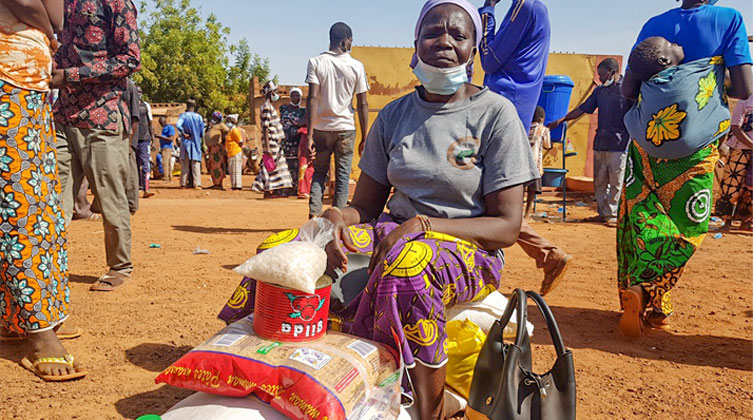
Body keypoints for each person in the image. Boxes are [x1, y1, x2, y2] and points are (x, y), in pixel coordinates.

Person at [220, 2, 538, 417]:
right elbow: (365, 206)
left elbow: (507, 226)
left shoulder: (496, 115)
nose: (444, 41)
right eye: (433, 32)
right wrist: (335, 219)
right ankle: (248, 367)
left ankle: (428, 408)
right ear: (416, 43)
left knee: (409, 265)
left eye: (458, 35)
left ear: (474, 49)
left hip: (468, 247)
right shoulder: (394, 115)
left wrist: (424, 226)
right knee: (285, 248)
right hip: (392, 233)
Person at [618, 0, 752, 338]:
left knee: (645, 218)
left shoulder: (653, 24)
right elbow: (745, 88)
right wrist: (706, 81)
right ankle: (647, 289)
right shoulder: (729, 19)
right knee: (687, 224)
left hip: (647, 146)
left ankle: (650, 298)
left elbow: (628, 89)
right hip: (696, 147)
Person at [0, 0, 88, 381]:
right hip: (8, 82)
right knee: (19, 206)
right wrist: (51, 35)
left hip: (25, 84)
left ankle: (17, 316)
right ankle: (38, 331)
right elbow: (29, 5)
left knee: (40, 204)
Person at [478, 0, 572, 296]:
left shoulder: (526, 7)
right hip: (508, 109)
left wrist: (488, 9)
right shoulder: (530, 9)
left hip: (503, 110)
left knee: (483, 198)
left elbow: (489, 58)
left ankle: (545, 255)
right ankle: (547, 255)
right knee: (488, 198)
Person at [54, 0, 140, 292]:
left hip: (102, 117)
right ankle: (48, 267)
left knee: (110, 198)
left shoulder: (116, 4)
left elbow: (130, 59)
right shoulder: (61, 3)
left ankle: (120, 266)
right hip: (63, 116)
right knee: (52, 198)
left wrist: (70, 75)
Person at [548, 58, 632, 227]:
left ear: (612, 72)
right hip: (600, 142)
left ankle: (613, 214)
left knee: (616, 180)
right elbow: (583, 108)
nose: (600, 78)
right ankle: (602, 213)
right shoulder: (599, 92)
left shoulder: (627, 90)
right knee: (599, 181)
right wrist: (562, 119)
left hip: (620, 144)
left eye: (602, 75)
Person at [306, 22, 370, 217]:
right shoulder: (356, 66)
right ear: (346, 41)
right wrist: (364, 137)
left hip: (321, 128)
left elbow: (312, 98)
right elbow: (363, 104)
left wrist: (309, 135)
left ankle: (314, 217)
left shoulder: (316, 62)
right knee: (342, 176)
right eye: (351, 40)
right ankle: (338, 219)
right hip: (345, 128)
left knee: (319, 173)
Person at [716, 93, 753, 231]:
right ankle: (726, 222)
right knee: (731, 186)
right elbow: (736, 127)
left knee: (750, 189)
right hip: (739, 149)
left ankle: (746, 221)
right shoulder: (745, 100)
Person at [252, 81, 294, 197]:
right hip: (271, 142)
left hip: (275, 142)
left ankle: (274, 189)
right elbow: (265, 128)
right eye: (275, 92)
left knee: (275, 166)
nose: (276, 94)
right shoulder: (266, 108)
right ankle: (267, 189)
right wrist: (267, 147)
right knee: (269, 166)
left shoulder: (270, 107)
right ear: (270, 93)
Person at [525, 106, 552, 220]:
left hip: (521, 164)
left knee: (520, 190)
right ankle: (527, 215)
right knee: (532, 192)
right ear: (541, 119)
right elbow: (547, 145)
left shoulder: (524, 127)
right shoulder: (543, 130)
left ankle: (517, 215)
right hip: (535, 165)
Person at [279, 87, 307, 194]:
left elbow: (303, 123)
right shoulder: (284, 109)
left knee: (297, 165)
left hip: (298, 142)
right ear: (290, 97)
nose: (296, 97)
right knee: (285, 164)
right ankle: (285, 188)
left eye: (298, 96)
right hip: (286, 142)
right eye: (294, 95)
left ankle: (295, 188)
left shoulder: (303, 111)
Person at [176, 99, 204, 189]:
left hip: (186, 143)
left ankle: (183, 183)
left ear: (186, 106)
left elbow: (178, 125)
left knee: (185, 164)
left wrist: (183, 134)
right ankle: (197, 184)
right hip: (196, 143)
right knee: (195, 164)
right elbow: (201, 132)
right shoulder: (199, 117)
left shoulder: (183, 116)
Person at [124, 79, 142, 214]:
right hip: (113, 136)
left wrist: (129, 144)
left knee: (129, 171)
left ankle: (131, 204)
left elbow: (134, 118)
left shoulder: (129, 86)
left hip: (127, 137)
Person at [135, 85, 154, 198]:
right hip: (133, 140)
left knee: (145, 164)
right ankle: (136, 188)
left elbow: (150, 122)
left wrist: (152, 138)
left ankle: (146, 188)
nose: (138, 93)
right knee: (134, 165)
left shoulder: (146, 105)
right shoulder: (129, 105)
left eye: (140, 91)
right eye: (136, 91)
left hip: (144, 139)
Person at [203, 111, 228, 190]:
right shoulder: (213, 126)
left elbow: (227, 131)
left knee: (217, 166)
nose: (213, 119)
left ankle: (218, 184)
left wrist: (223, 140)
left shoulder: (221, 125)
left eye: (215, 118)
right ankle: (215, 183)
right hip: (212, 149)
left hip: (217, 149)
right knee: (212, 166)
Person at [155, 116, 177, 184]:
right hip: (164, 147)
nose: (161, 125)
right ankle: (170, 178)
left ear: (164, 121)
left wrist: (160, 136)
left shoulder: (170, 128)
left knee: (165, 163)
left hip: (167, 148)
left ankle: (166, 178)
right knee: (168, 163)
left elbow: (171, 138)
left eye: (161, 123)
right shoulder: (165, 128)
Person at [225, 114, 244, 190]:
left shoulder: (235, 130)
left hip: (235, 152)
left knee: (236, 169)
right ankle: (234, 185)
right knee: (232, 169)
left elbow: (240, 141)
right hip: (231, 152)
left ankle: (237, 186)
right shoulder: (231, 130)